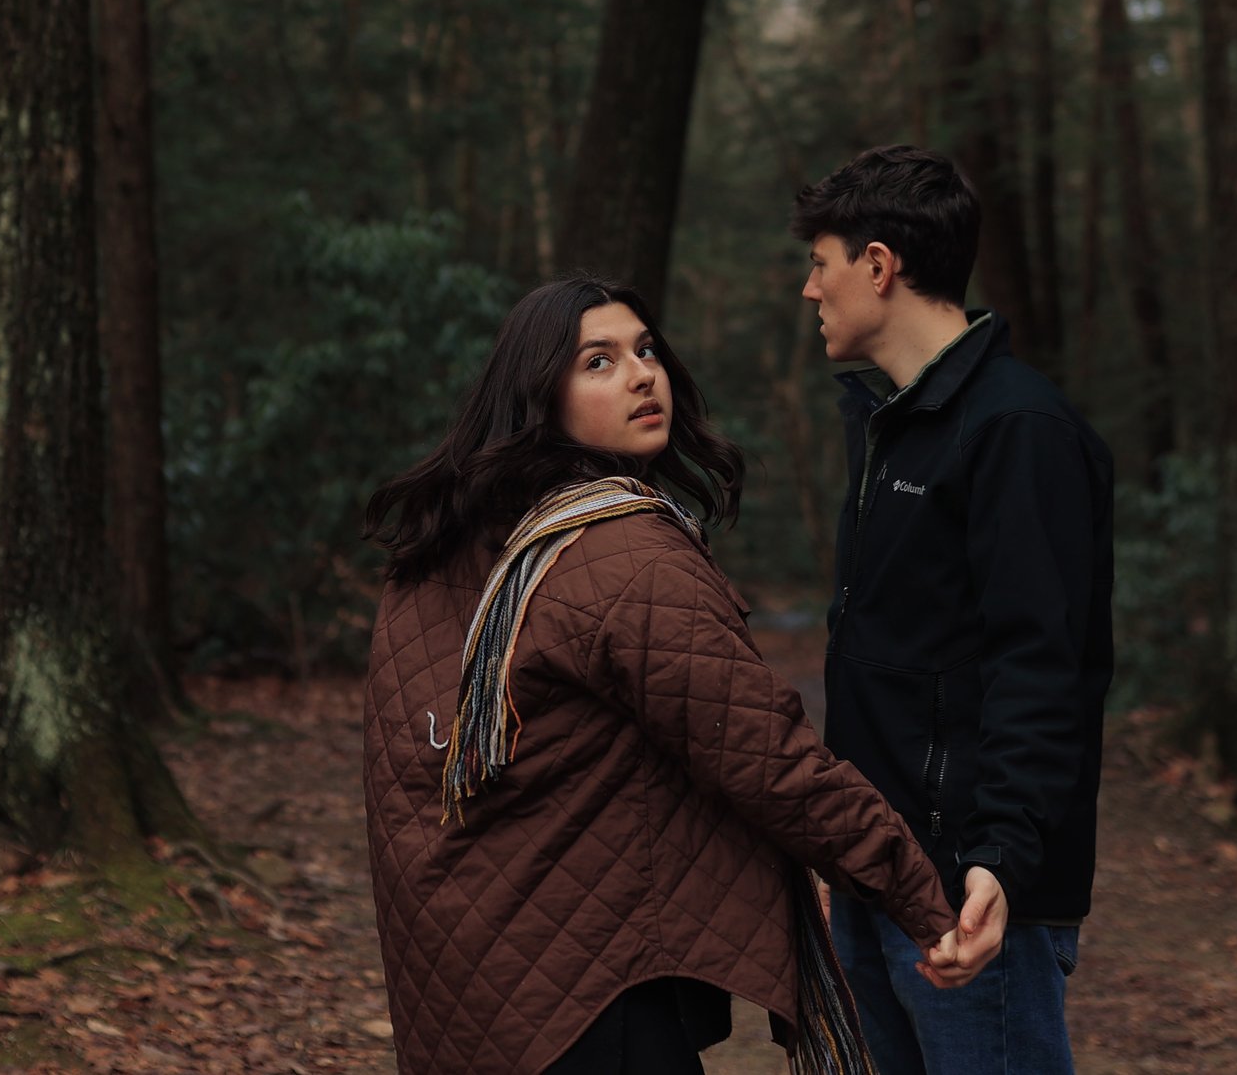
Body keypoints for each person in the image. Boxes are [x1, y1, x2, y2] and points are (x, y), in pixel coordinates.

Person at [362, 275, 961, 1075]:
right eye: (599, 362)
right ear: (541, 395)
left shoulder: (448, 543)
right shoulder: (626, 557)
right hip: (591, 993)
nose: (643, 375)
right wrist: (923, 898)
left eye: (646, 350)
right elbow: (771, 762)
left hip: (468, 981)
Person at [792, 146, 1115, 1075]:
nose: (810, 290)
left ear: (880, 266)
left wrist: (1001, 861)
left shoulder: (1017, 429)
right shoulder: (897, 424)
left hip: (973, 898)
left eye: (822, 263)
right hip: (880, 875)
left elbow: (1041, 664)